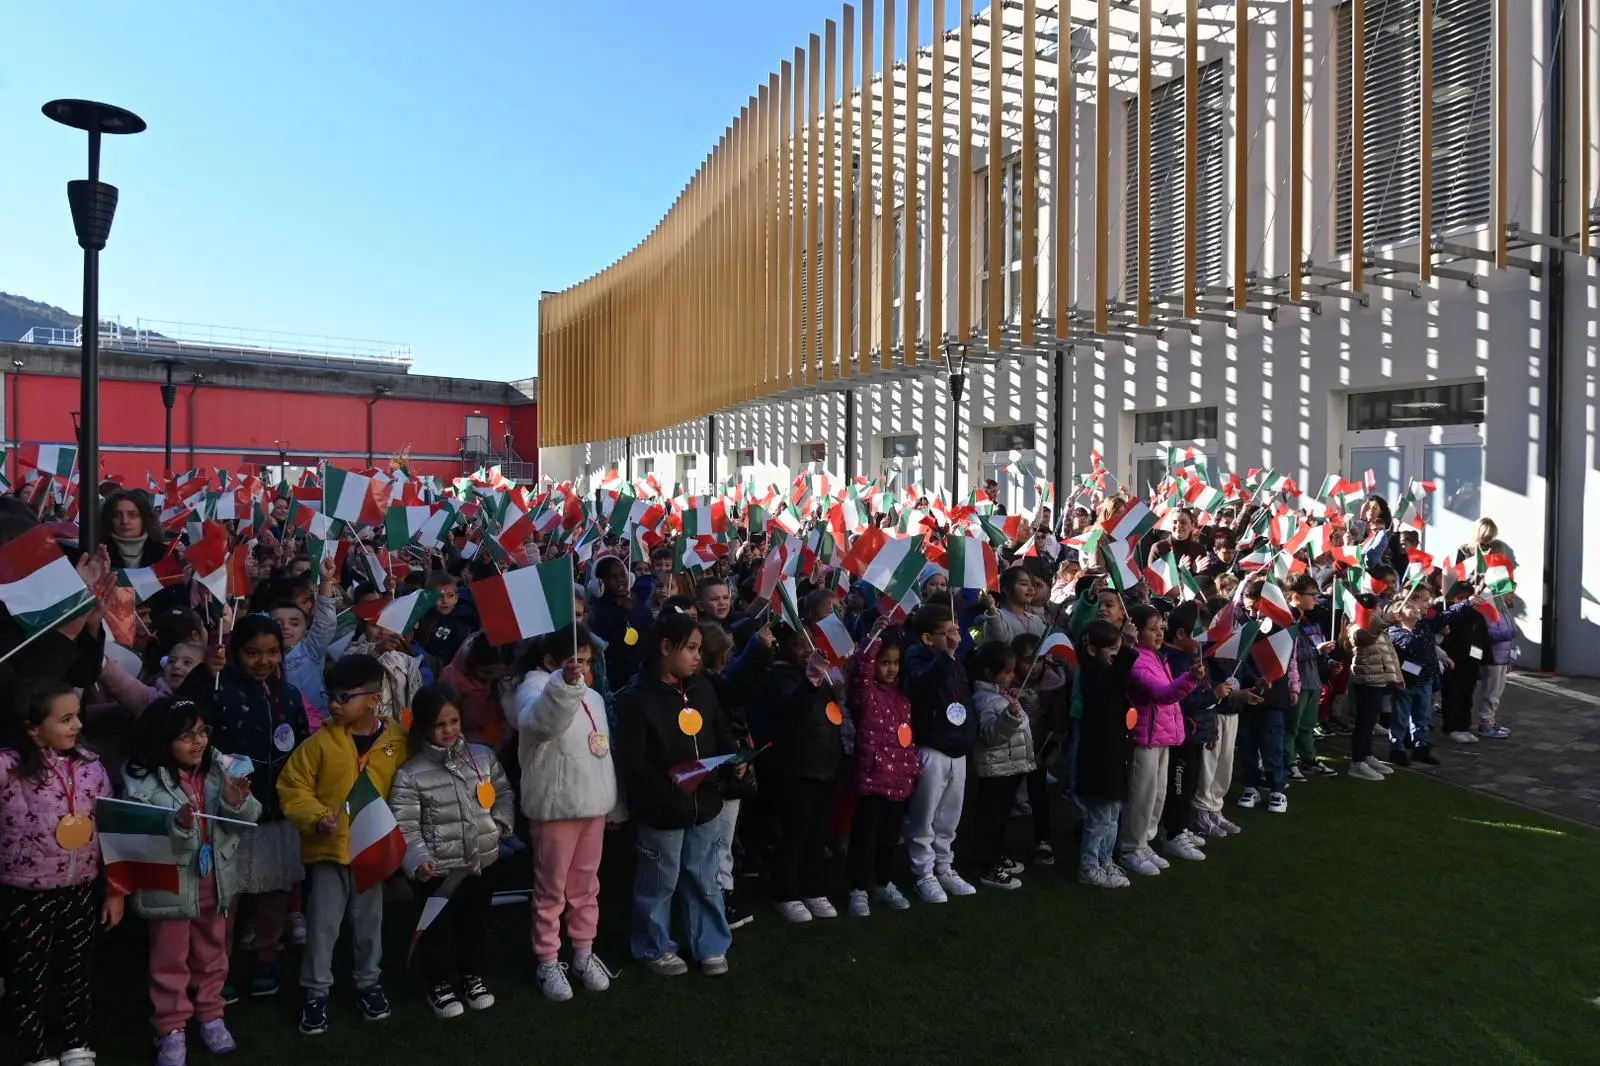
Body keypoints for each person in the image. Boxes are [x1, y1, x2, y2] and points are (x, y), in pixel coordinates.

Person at [276, 653, 411, 1036]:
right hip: (330, 851)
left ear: (373, 699)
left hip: (372, 851)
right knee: (323, 925)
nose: (335, 704)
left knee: (369, 923)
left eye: (345, 697)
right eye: (331, 695)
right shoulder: (319, 743)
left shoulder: (397, 741)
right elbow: (292, 785)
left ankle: (368, 983)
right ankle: (316, 992)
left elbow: (407, 787)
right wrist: (317, 816)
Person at [123, 697, 261, 1066]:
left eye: (202, 731)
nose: (198, 741)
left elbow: (248, 818)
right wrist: (179, 826)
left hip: (215, 882)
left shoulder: (221, 768)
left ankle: (211, 1014)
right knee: (169, 958)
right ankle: (171, 1027)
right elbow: (140, 839)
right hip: (169, 887)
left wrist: (236, 803)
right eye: (186, 736)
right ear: (162, 740)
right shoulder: (143, 782)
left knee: (213, 952)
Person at [0, 681, 123, 1066]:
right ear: (32, 728)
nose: (77, 725)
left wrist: (115, 890)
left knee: (76, 972)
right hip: (25, 893)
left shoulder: (92, 766)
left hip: (80, 889)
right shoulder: (8, 766)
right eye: (66, 718)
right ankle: (35, 1053)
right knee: (28, 977)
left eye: (78, 716)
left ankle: (76, 1045)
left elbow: (110, 830)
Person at [614, 612, 739, 977]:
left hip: (705, 805)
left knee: (704, 877)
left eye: (700, 649)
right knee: (659, 882)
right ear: (666, 648)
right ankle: (654, 946)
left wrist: (734, 759)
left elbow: (719, 728)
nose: (699, 656)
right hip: (662, 811)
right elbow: (633, 761)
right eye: (691, 648)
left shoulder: (703, 687)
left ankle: (710, 945)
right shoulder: (637, 698)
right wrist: (667, 791)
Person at [389, 684, 513, 1018]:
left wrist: (501, 823)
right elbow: (405, 825)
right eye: (439, 724)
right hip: (439, 872)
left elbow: (503, 792)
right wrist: (418, 859)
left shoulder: (483, 757)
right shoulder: (410, 774)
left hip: (481, 862)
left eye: (454, 721)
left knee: (476, 923)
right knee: (438, 929)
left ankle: (472, 976)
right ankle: (439, 983)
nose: (448, 730)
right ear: (423, 727)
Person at [513, 625, 623, 1000]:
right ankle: (548, 960)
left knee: (586, 886)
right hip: (555, 808)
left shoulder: (593, 696)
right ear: (550, 661)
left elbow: (602, 752)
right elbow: (541, 723)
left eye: (587, 662)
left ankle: (583, 953)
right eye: (574, 661)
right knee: (551, 888)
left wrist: (612, 803)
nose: (582, 669)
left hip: (592, 806)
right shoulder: (533, 690)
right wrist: (563, 685)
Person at [207, 614, 311, 998]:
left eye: (272, 652)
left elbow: (302, 748)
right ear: (235, 652)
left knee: (273, 890)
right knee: (226, 897)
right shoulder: (217, 691)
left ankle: (267, 954)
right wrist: (205, 676)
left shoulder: (289, 695)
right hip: (229, 813)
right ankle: (219, 968)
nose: (263, 661)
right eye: (253, 653)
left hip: (278, 810)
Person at [762, 620, 845, 922]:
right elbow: (791, 706)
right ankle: (785, 892)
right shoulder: (781, 677)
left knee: (818, 832)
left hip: (826, 765)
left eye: (809, 643)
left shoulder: (823, 677)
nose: (806, 650)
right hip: (797, 767)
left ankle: (813, 888)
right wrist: (810, 679)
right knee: (794, 832)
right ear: (783, 647)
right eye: (797, 644)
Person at [1116, 605, 1204, 875]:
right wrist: (1190, 678)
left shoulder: (1157, 657)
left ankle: (1144, 842)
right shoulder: (1137, 659)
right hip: (1145, 738)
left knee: (1157, 794)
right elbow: (1162, 693)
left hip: (1162, 736)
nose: (1159, 634)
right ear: (1135, 630)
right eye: (1152, 629)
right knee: (1141, 796)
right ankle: (1130, 847)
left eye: (1161, 628)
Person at [901, 603, 978, 903]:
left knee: (949, 816)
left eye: (955, 631)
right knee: (925, 815)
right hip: (932, 746)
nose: (954, 637)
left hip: (957, 746)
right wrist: (947, 655)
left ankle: (944, 865)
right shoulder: (916, 656)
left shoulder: (955, 659)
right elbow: (923, 683)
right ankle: (923, 872)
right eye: (947, 633)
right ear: (927, 638)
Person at [845, 630, 918, 916]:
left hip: (899, 779)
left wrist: (911, 767)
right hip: (873, 777)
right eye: (885, 662)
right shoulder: (866, 694)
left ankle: (885, 882)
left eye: (896, 663)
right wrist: (873, 638)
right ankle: (859, 887)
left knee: (890, 837)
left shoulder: (902, 697)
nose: (891, 669)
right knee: (865, 836)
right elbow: (860, 671)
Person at [1071, 620, 1135, 888]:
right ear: (1093, 650)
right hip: (1099, 757)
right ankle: (1089, 866)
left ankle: (1105, 859)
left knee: (1112, 814)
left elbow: (1118, 683)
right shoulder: (1091, 674)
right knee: (1099, 817)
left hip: (1114, 753)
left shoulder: (1106, 673)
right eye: (1113, 650)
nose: (1116, 655)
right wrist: (1128, 648)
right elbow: (1113, 683)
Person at [968, 640, 1033, 890]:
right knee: (991, 818)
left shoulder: (998, 694)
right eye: (1007, 671)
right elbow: (991, 734)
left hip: (1009, 768)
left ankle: (995, 854)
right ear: (988, 672)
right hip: (995, 770)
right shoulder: (983, 700)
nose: (1012, 676)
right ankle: (988, 865)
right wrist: (1009, 715)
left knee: (1001, 816)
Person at [1232, 580, 1299, 814]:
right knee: (1248, 746)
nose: (1252, 614)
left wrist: (1293, 686)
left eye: (1256, 608)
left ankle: (1277, 789)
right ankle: (1251, 785)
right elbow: (1238, 661)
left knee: (1272, 746)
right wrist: (1251, 680)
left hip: (1273, 698)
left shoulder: (1283, 629)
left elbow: (1290, 662)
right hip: (1246, 695)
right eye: (1248, 608)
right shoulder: (1242, 627)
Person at [1285, 574, 1337, 779]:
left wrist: (1328, 661)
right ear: (1296, 596)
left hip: (1313, 680)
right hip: (1297, 684)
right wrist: (1317, 651)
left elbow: (1315, 648)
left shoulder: (1309, 619)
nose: (1316, 599)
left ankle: (1309, 760)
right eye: (1312, 595)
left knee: (1307, 726)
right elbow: (1289, 654)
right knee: (1291, 726)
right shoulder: (1286, 620)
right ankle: (1288, 762)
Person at [275, 556, 340, 721]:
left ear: (306, 630)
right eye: (278, 623)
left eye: (294, 623)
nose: (286, 627)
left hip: (317, 723)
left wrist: (325, 582)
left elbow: (326, 623)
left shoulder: (310, 650)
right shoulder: (267, 658)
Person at [1345, 594, 1401, 781]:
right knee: (1364, 723)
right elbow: (1366, 637)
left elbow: (1389, 653)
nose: (1379, 610)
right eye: (1376, 608)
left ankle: (1367, 754)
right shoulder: (1356, 627)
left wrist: (1396, 676)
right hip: (1366, 681)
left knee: (1370, 722)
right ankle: (1357, 762)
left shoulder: (1378, 628)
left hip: (1379, 680)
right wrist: (1385, 621)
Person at [1439, 583, 1491, 743]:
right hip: (1453, 662)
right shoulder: (1448, 615)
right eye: (1460, 597)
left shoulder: (1478, 616)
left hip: (1472, 662)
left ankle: (1464, 726)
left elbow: (1484, 640)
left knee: (1467, 695)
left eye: (1467, 597)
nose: (1464, 600)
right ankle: (1451, 728)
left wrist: (1485, 661)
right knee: (1452, 695)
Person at [1476, 596, 1518, 739]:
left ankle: (1490, 721)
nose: (1511, 595)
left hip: (1502, 658)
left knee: (1497, 692)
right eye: (1509, 592)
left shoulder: (1503, 610)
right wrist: (1511, 633)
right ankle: (1485, 723)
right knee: (1491, 692)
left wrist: (1510, 658)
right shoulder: (1490, 610)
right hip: (1493, 658)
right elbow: (1490, 634)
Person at [982, 567, 1044, 646]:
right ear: (1007, 590)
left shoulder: (1036, 620)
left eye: (1033, 585)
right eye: (1024, 584)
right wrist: (991, 609)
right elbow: (998, 641)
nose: (1031, 589)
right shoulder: (997, 619)